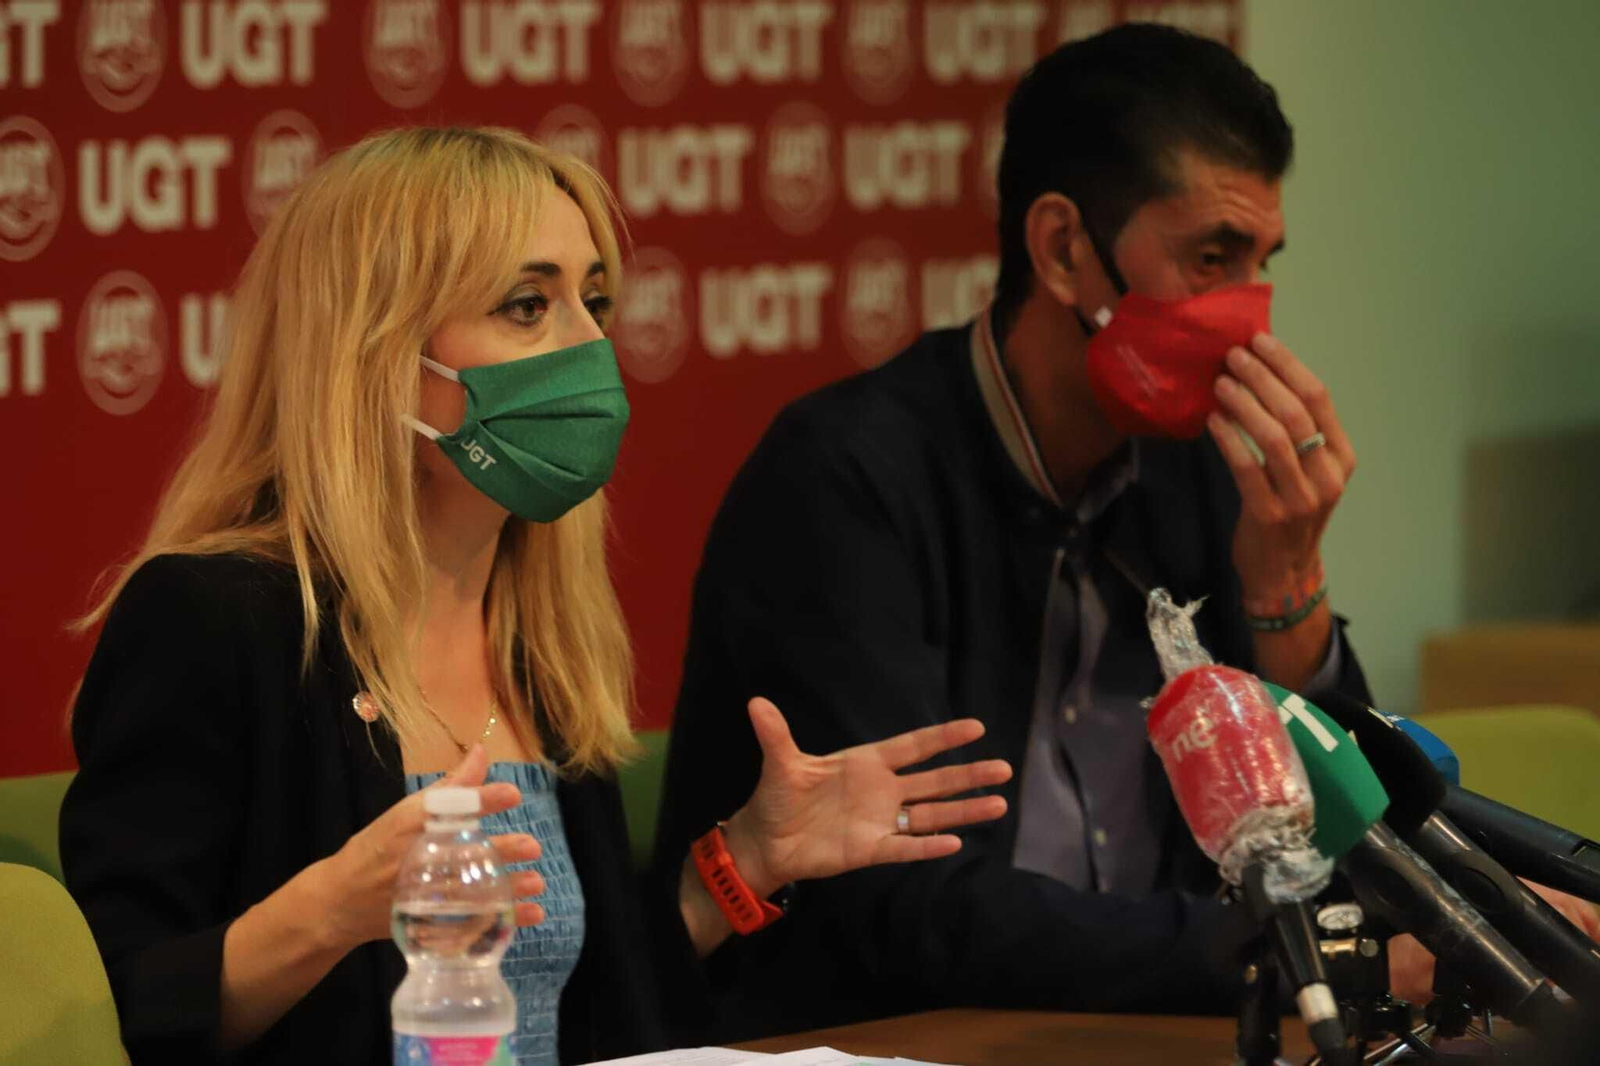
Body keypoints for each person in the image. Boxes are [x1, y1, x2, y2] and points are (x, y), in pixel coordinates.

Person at [654, 23, 1600, 1042]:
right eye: (1210, 257)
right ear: (1065, 249)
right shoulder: (844, 479)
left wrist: (1287, 579)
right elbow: (907, 913)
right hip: (891, 1035)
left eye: (1260, 263)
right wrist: (1301, 956)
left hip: (1159, 1025)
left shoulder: (1195, 468)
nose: (1248, 314)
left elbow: (1336, 838)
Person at [58, 126, 1013, 1066]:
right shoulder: (216, 621)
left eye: (594, 300)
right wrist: (330, 910)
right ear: (375, 350)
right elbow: (123, 1011)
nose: (592, 345)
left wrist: (742, 864)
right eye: (527, 305)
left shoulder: (538, 639)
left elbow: (588, 1013)